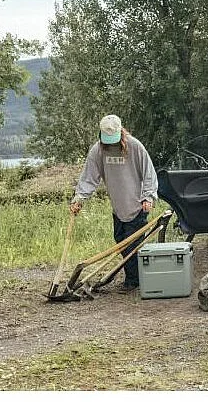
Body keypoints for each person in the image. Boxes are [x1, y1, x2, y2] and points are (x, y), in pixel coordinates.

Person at [70, 114, 158, 291]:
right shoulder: (98, 151)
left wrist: (148, 197)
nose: (111, 143)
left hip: (137, 204)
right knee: (120, 241)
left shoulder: (135, 147)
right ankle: (135, 278)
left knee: (133, 244)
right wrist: (79, 198)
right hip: (118, 206)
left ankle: (134, 281)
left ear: (121, 132)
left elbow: (149, 173)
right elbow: (89, 177)